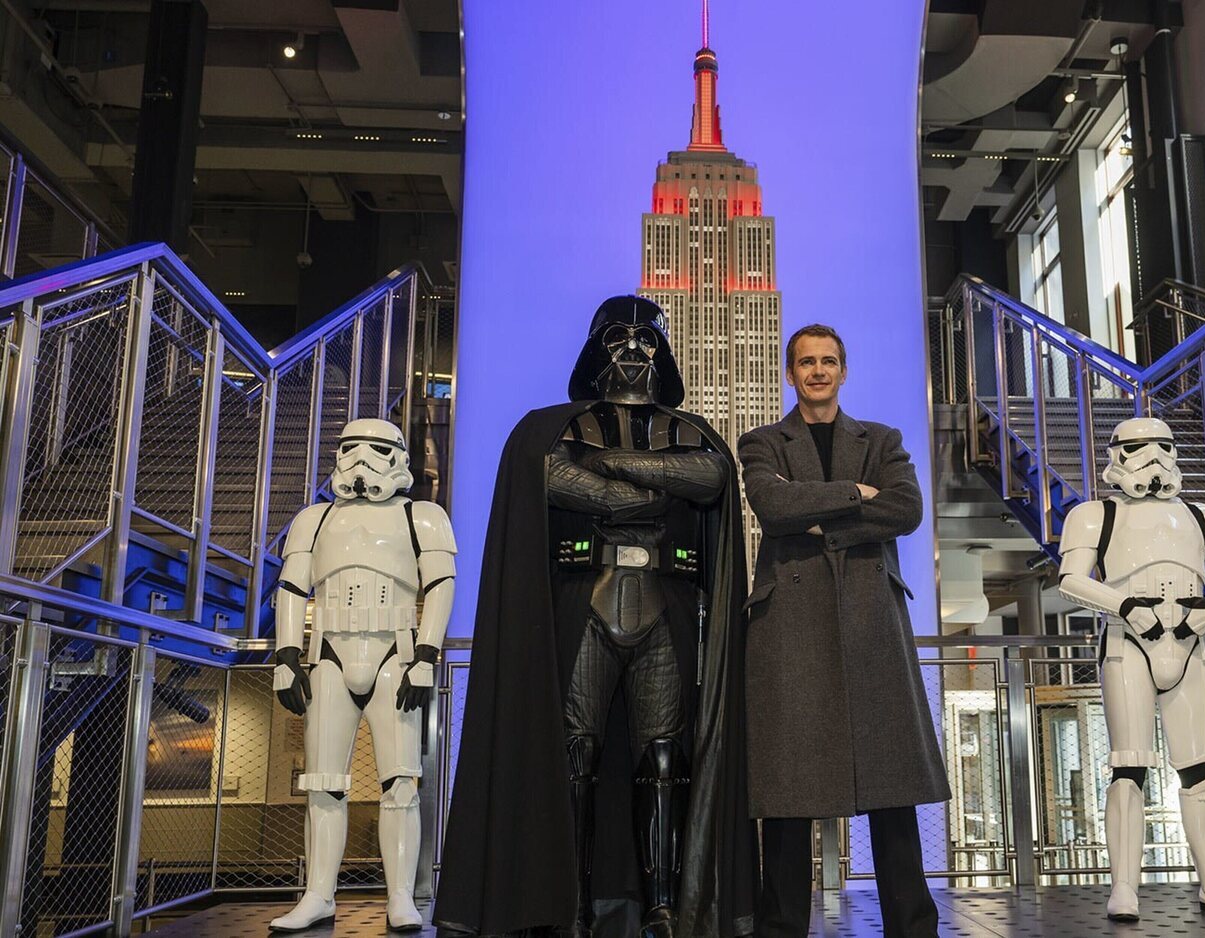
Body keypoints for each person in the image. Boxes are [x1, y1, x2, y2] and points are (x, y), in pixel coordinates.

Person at [434, 297, 757, 938]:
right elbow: (551, 477)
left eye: (645, 337)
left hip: (665, 606)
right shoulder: (552, 428)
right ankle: (570, 906)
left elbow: (712, 474)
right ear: (595, 347)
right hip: (586, 601)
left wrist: (610, 468)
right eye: (618, 337)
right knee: (574, 753)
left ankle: (662, 907)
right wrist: (641, 492)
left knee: (663, 758)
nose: (633, 349)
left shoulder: (689, 430)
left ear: (662, 350)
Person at [738, 324, 950, 938]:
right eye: (806, 362)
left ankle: (913, 927)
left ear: (844, 370)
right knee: (786, 794)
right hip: (790, 628)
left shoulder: (882, 440)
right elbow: (772, 508)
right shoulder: (761, 441)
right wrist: (857, 497)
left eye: (828, 361)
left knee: (891, 790)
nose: (818, 371)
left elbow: (905, 509)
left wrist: (816, 515)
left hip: (870, 622)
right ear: (790, 372)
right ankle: (781, 929)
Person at [1057, 417, 1205, 921]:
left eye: (1163, 446)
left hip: (1193, 638)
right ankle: (1124, 887)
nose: (1152, 456)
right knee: (1129, 765)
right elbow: (1070, 579)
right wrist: (1129, 608)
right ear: (1117, 453)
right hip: (1127, 639)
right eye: (1137, 447)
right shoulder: (1093, 514)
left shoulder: (1201, 515)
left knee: (1201, 768)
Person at [268, 419, 456, 933]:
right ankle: (318, 895)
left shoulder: (424, 516)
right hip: (327, 654)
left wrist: (425, 654)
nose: (360, 458)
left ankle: (400, 896)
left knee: (401, 783)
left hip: (395, 654)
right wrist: (287, 655)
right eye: (349, 447)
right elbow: (290, 587)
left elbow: (440, 584)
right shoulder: (314, 518)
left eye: (375, 448)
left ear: (397, 455)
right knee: (323, 784)